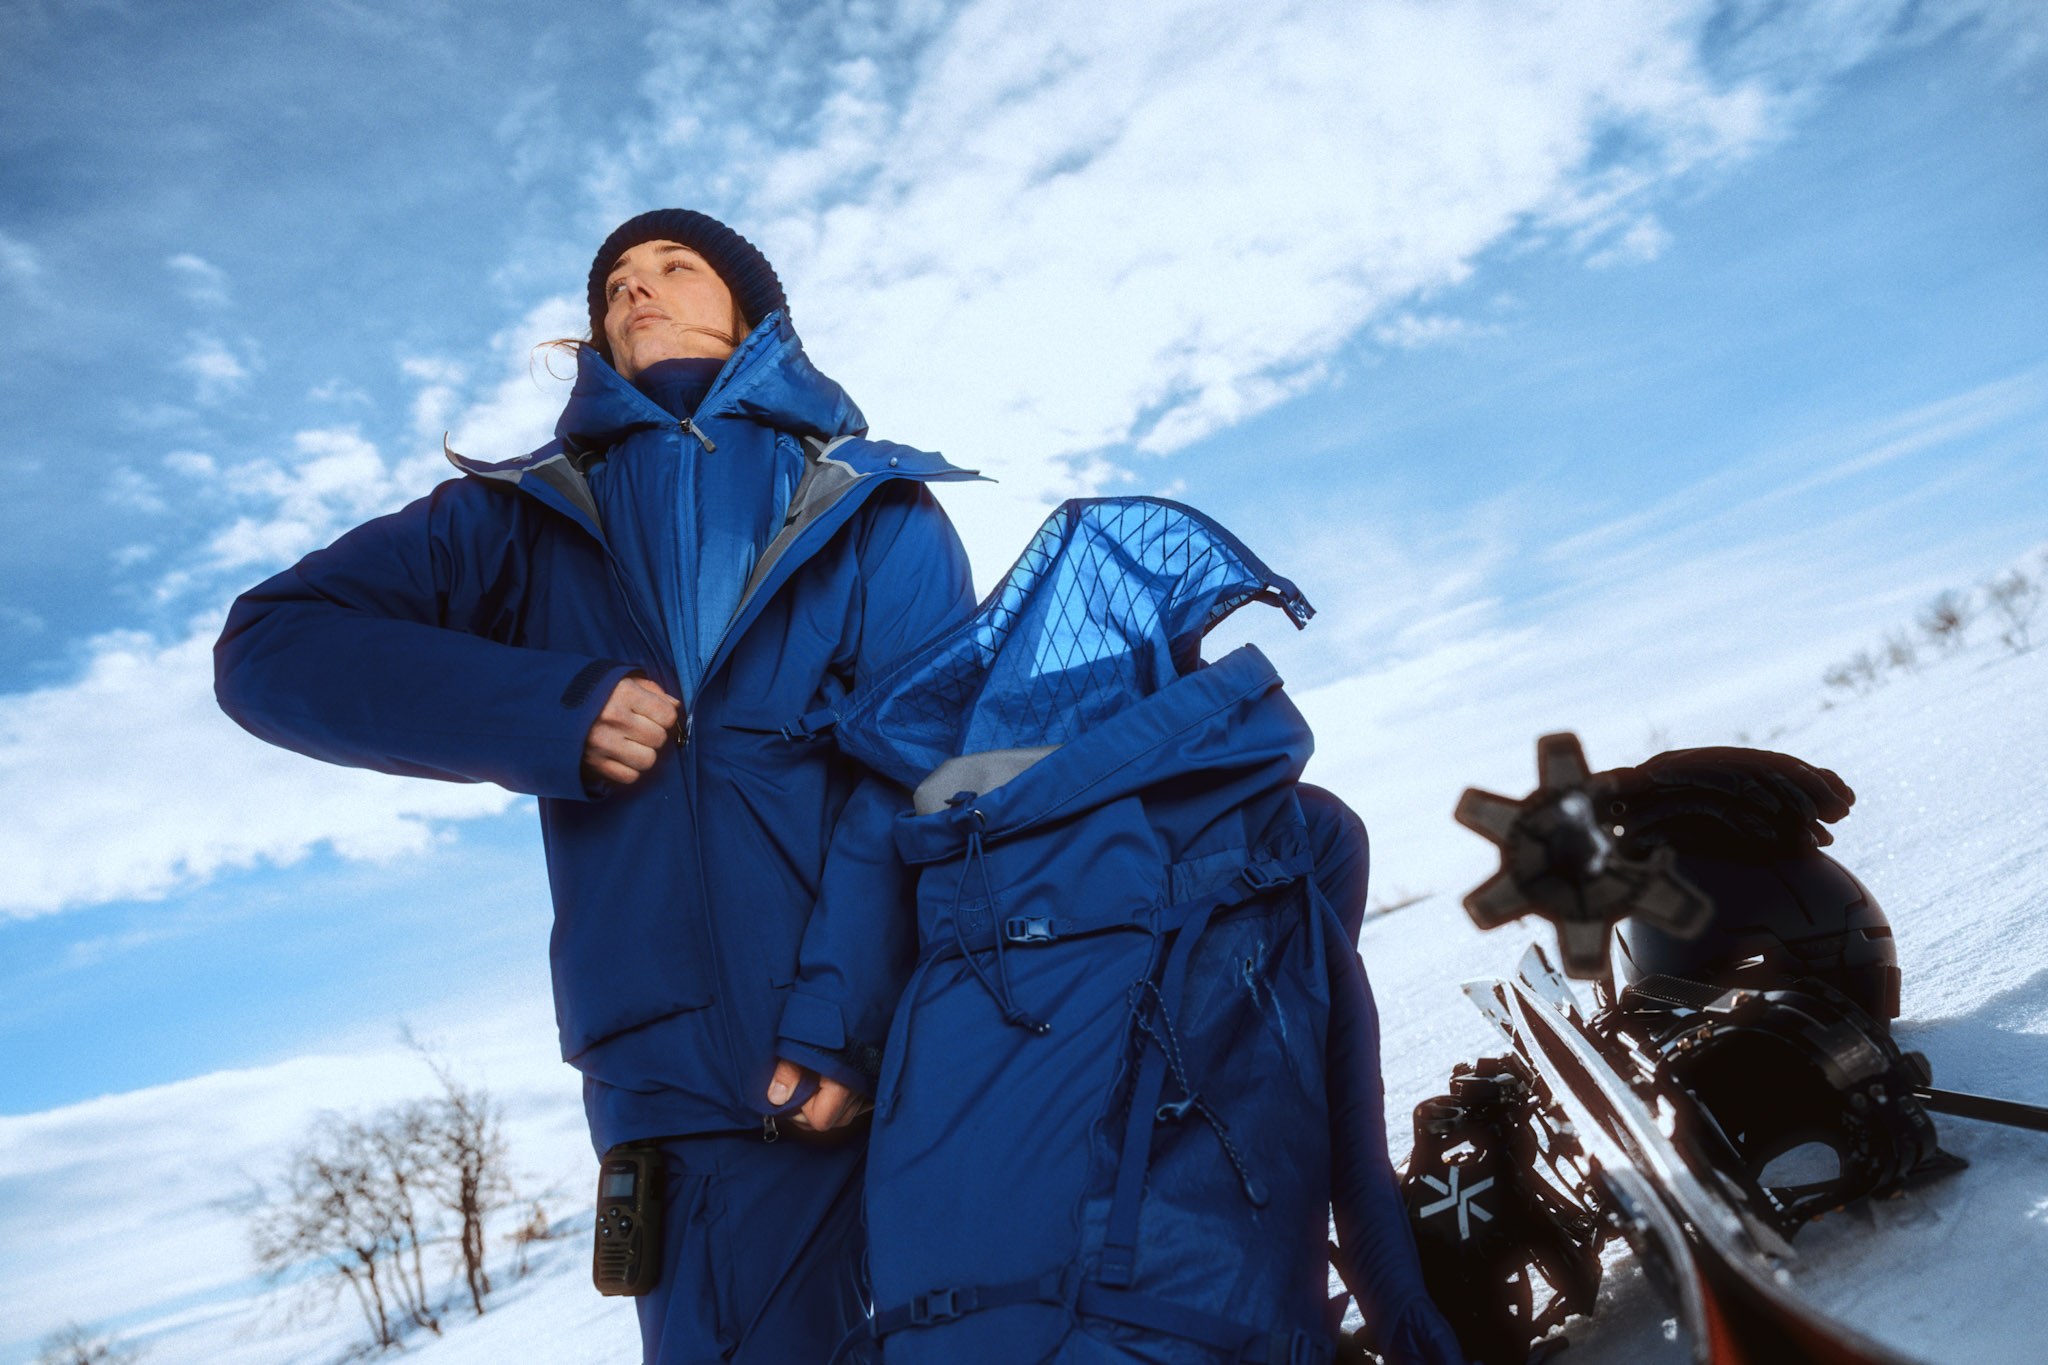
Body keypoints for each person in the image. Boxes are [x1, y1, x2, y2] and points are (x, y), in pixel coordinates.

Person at [214, 209, 979, 1363]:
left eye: (675, 266)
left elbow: (924, 772)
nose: (636, 289)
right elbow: (270, 647)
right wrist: (547, 712)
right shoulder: (518, 519)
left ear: (753, 313)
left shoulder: (879, 509)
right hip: (681, 1089)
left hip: (905, 1055)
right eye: (615, 282)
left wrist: (845, 1029)